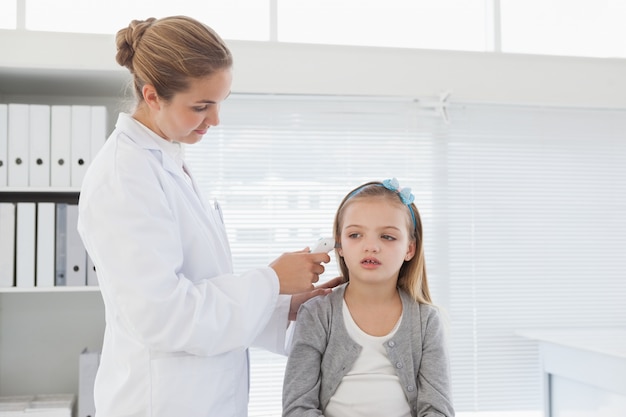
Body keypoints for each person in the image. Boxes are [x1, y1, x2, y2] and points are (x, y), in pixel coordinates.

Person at [77, 15, 340, 417]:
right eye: (201, 106)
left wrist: (282, 305)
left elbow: (202, 289)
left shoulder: (167, 160)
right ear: (152, 96)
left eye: (220, 102)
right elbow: (163, 316)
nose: (215, 120)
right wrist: (271, 281)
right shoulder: (123, 176)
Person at [282, 178, 455, 417]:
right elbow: (297, 408)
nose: (371, 246)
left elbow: (437, 409)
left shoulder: (426, 320)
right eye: (355, 235)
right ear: (339, 245)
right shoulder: (316, 314)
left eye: (387, 237)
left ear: (409, 249)